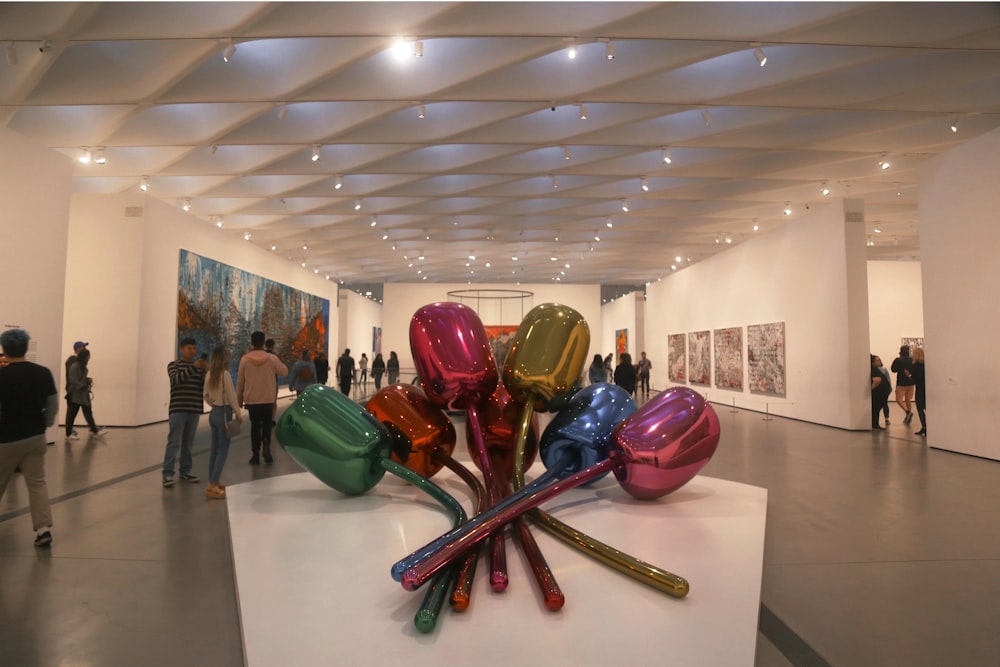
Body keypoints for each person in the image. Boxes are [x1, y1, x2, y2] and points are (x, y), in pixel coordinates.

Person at [0, 329, 57, 548]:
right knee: (37, 483)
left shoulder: (2, 376)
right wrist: (45, 424)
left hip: (7, 439)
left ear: (4, 350)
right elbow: (52, 405)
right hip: (35, 437)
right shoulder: (43, 373)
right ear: (26, 347)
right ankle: (43, 530)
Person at [237, 331, 288, 465]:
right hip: (268, 398)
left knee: (254, 426)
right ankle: (266, 445)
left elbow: (240, 382)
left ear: (252, 342)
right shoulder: (271, 358)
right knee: (266, 424)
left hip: (252, 400)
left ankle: (255, 454)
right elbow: (284, 371)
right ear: (263, 342)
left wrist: (238, 401)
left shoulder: (245, 359)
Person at [162, 338, 207, 487]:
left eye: (194, 348)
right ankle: (167, 474)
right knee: (174, 442)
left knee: (188, 443)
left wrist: (207, 371)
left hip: (194, 409)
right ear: (182, 349)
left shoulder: (199, 368)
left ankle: (185, 471)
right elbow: (176, 380)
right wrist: (194, 368)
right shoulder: (174, 365)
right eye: (189, 348)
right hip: (178, 408)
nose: (192, 351)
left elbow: (204, 386)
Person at [203, 346, 242, 499]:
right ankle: (212, 484)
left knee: (214, 449)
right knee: (223, 450)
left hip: (214, 413)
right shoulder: (225, 374)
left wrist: (214, 404)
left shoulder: (209, 374)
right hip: (224, 414)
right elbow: (232, 396)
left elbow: (205, 395)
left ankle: (213, 481)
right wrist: (238, 413)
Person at [64, 348, 108, 440]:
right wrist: (83, 385)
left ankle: (95, 431)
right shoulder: (74, 366)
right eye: (88, 356)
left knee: (88, 414)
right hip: (75, 395)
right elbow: (73, 381)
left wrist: (87, 381)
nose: (89, 358)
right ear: (84, 357)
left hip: (83, 395)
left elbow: (80, 380)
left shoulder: (85, 368)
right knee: (72, 415)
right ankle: (68, 433)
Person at [64, 341, 87, 438]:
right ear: (78, 349)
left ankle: (93, 428)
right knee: (72, 411)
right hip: (73, 390)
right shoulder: (72, 360)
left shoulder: (79, 362)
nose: (85, 349)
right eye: (83, 347)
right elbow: (73, 377)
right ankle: (69, 431)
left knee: (83, 409)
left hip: (78, 389)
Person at [891, 345, 916, 424]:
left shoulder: (898, 360)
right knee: (908, 399)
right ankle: (908, 416)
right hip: (911, 382)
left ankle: (907, 412)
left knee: (898, 399)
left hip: (901, 383)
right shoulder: (912, 359)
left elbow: (893, 370)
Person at [871, 354, 892, 430]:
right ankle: (875, 424)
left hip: (882, 391)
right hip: (881, 391)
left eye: (879, 360)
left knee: (877, 407)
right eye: (877, 360)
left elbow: (878, 380)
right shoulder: (874, 369)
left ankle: (875, 424)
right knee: (876, 408)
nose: (879, 361)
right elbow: (878, 380)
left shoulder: (877, 369)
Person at [912, 347, 927, 437]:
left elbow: (917, 378)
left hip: (920, 390)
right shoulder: (925, 364)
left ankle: (924, 427)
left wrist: (909, 375)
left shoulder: (916, 365)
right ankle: (927, 427)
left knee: (920, 409)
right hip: (926, 389)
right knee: (926, 408)